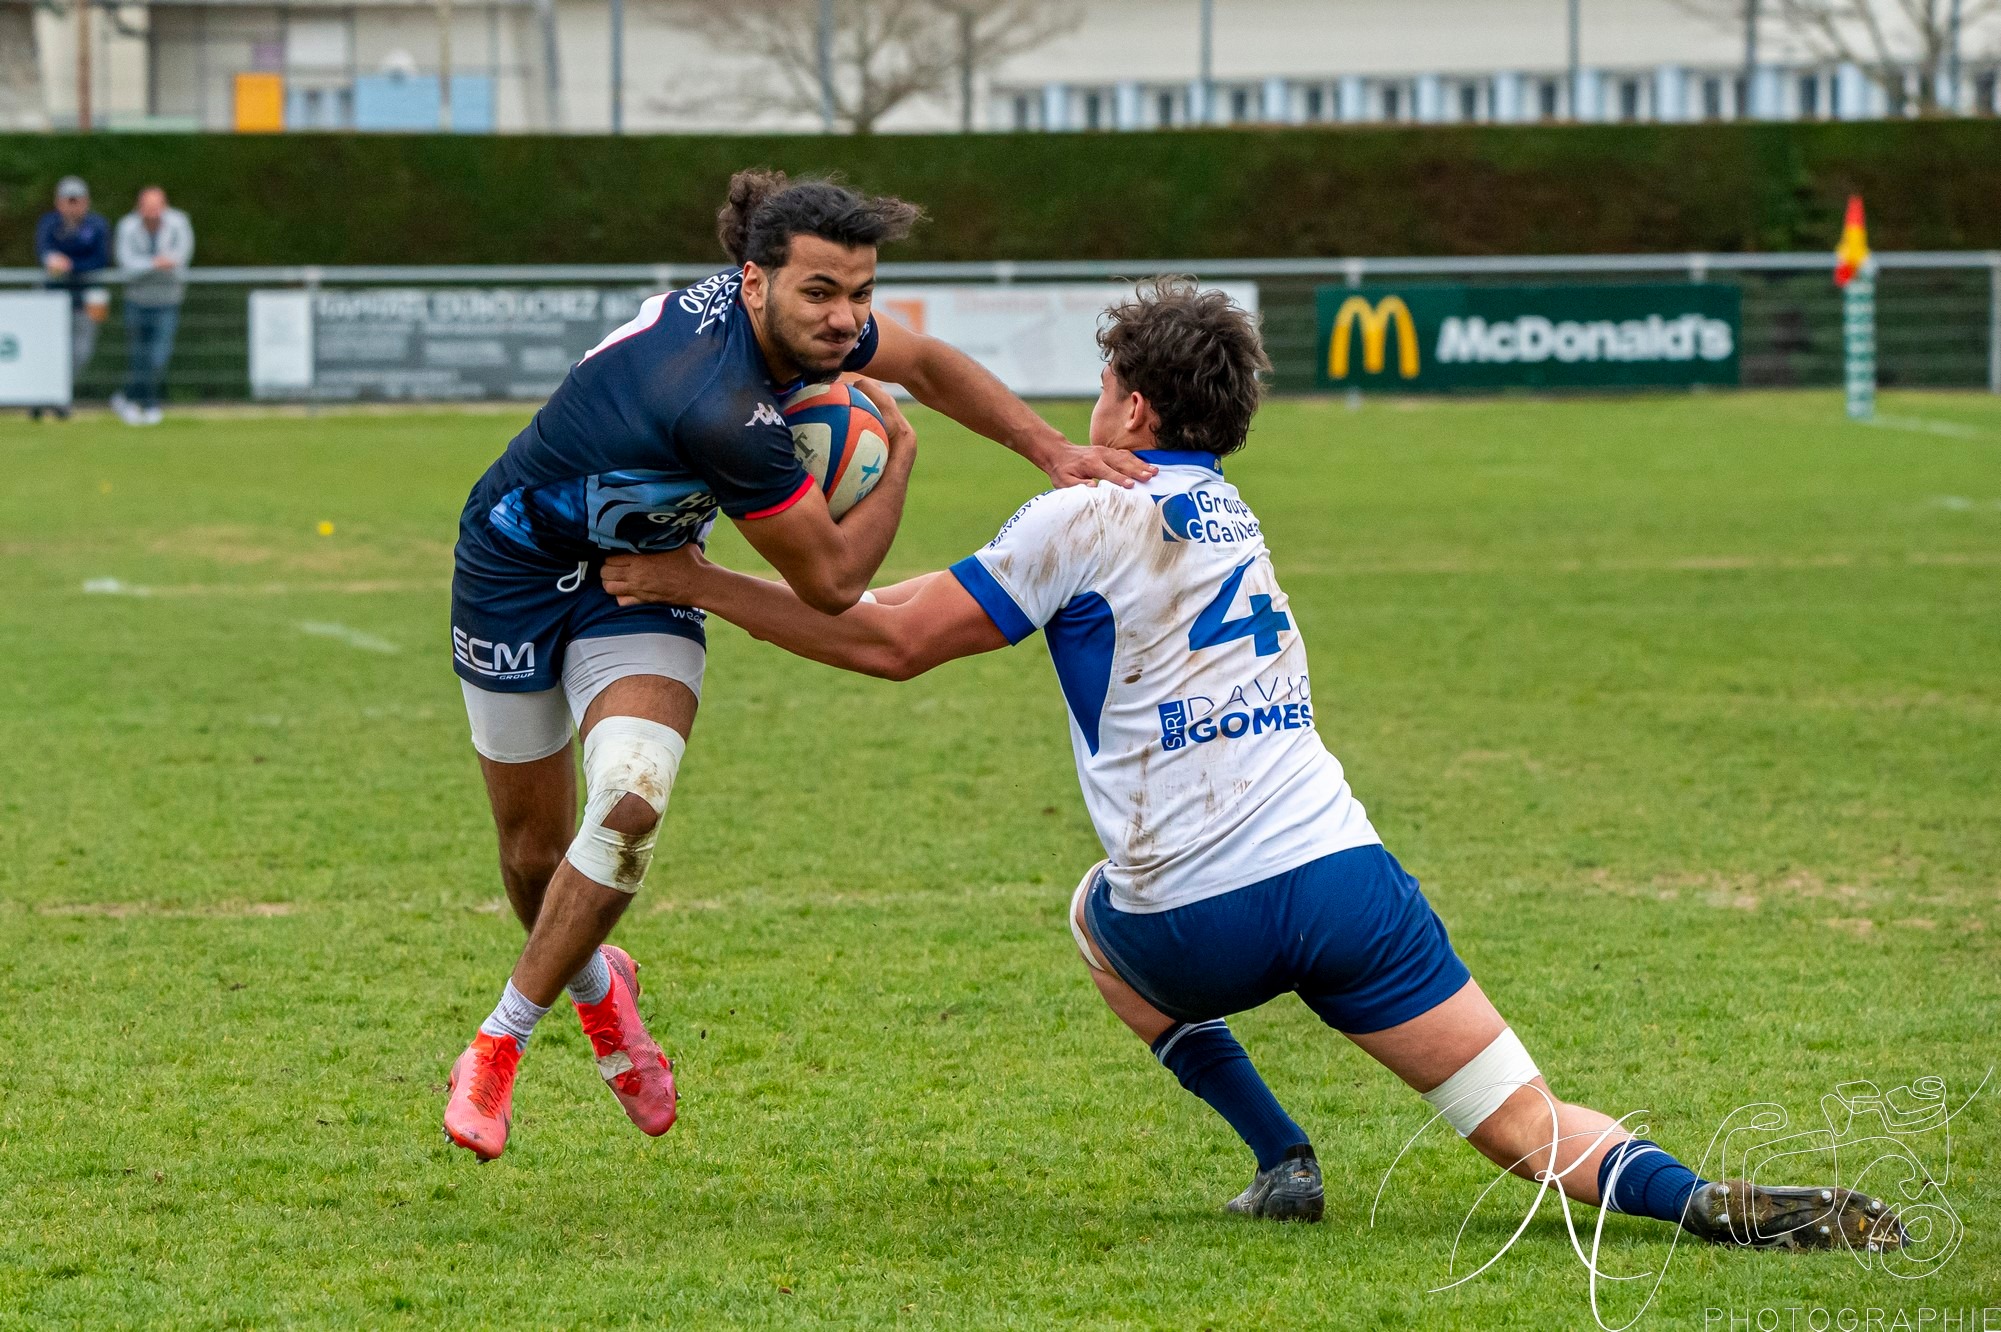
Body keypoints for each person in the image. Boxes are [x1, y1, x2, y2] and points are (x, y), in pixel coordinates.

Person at [599, 280, 1906, 1252]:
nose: (1087, 405)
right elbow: (961, 607)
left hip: (1190, 925)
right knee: (1526, 1128)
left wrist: (689, 579)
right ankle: (1716, 1204)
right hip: (1347, 884)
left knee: (1087, 915)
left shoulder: (1081, 509)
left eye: (1104, 385)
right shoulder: (1224, 505)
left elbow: (888, 646)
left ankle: (1281, 1153)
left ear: (1136, 405)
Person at [439, 168, 1157, 1162]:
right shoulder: (717, 405)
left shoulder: (811, 336)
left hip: (649, 584)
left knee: (631, 803)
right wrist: (897, 460)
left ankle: (496, 1045)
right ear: (751, 282)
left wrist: (1048, 450)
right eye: (820, 292)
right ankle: (603, 990)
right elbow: (831, 585)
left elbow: (935, 366)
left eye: (860, 293)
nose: (845, 319)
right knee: (532, 857)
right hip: (511, 568)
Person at [112, 185, 195, 426]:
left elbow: (181, 258)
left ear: (165, 206)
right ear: (139, 207)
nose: (152, 212)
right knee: (138, 355)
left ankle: (127, 398)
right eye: (148, 206)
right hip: (136, 300)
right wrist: (155, 264)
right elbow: (127, 264)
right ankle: (147, 404)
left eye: (157, 206)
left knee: (158, 355)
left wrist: (154, 265)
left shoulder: (179, 224)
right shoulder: (127, 227)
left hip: (168, 299)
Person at [31, 175, 111, 421]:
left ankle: (57, 395)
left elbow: (100, 259)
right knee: (49, 350)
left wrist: (71, 265)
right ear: (59, 202)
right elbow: (43, 249)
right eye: (69, 200)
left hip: (85, 299)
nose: (73, 205)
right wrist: (52, 260)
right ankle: (47, 397)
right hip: (52, 300)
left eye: (77, 200)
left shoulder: (97, 225)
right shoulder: (49, 223)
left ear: (86, 202)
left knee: (80, 351)